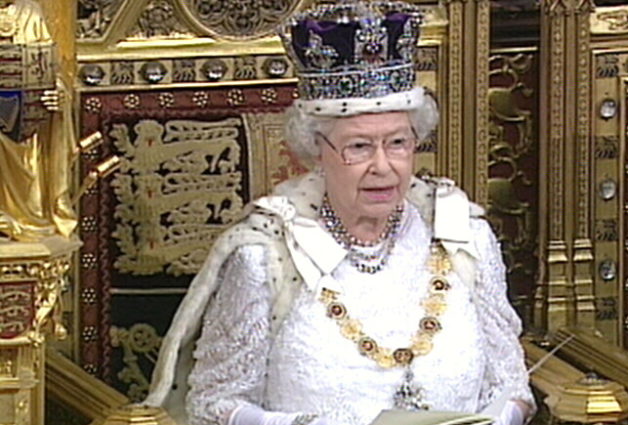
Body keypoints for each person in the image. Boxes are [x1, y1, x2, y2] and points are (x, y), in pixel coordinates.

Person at [144, 2, 534, 425]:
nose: (383, 167)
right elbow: (213, 402)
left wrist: (501, 419)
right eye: (359, 147)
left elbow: (512, 386)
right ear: (317, 152)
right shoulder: (267, 257)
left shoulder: (466, 239)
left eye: (398, 143)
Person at [0, 0, 77, 241]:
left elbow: (48, 71)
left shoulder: (30, 13)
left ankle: (24, 217)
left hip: (22, 130)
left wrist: (59, 95)